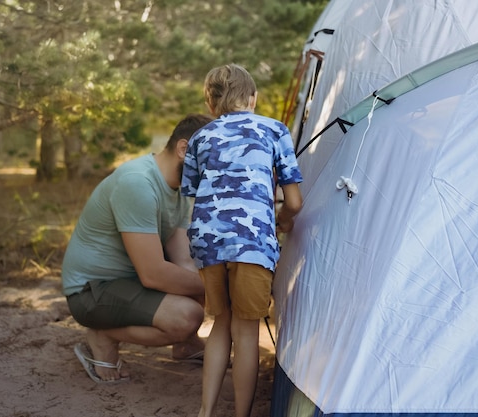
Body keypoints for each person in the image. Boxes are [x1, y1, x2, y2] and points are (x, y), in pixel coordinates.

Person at [180, 64, 303, 417]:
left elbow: (192, 191)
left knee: (221, 321)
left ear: (211, 101)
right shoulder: (275, 130)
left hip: (207, 239)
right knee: (246, 330)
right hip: (252, 241)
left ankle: (205, 411)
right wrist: (280, 222)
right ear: (253, 98)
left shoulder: (201, 137)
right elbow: (294, 202)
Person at [62, 113, 213, 384]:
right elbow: (153, 274)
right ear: (184, 149)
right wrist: (217, 287)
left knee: (199, 270)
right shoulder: (138, 183)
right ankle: (102, 336)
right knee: (187, 315)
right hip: (91, 290)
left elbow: (184, 261)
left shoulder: (178, 190)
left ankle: (186, 344)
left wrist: (216, 278)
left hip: (127, 282)